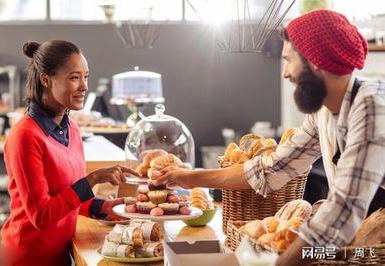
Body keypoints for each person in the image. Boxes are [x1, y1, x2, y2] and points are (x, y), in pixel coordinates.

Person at [155, 9, 385, 266]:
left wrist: (280, 264)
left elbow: (342, 211)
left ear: (315, 61)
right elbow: (273, 168)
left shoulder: (372, 106)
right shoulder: (323, 110)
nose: (286, 73)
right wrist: (191, 177)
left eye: (289, 60)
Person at [0, 40, 138, 266]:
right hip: (27, 258)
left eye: (86, 76)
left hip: (60, 257)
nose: (84, 86)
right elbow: (42, 215)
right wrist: (92, 179)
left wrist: (102, 207)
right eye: (74, 77)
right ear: (46, 79)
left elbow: (65, 196)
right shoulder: (25, 136)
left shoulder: (72, 128)